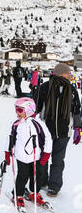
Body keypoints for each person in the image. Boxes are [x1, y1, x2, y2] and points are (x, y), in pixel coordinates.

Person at [36, 63, 81, 197]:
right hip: (46, 131)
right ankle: (42, 180)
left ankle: (54, 185)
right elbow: (36, 107)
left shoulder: (72, 90)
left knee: (58, 159)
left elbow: (77, 110)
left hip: (63, 131)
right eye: (68, 73)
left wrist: (78, 128)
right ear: (61, 73)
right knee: (43, 157)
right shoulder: (44, 87)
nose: (70, 75)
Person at [5, 97, 52, 208]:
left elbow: (48, 138)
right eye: (16, 109)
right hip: (21, 156)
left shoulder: (38, 123)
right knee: (22, 175)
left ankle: (33, 192)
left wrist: (46, 154)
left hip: (36, 156)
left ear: (29, 110)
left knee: (37, 176)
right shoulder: (15, 123)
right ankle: (18, 195)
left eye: (20, 110)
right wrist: (7, 152)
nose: (17, 112)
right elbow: (10, 138)